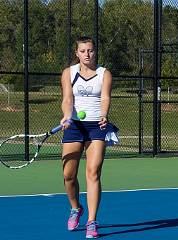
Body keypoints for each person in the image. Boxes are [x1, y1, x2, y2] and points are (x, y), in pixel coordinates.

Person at [60, 36, 118, 239]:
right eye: (83, 51)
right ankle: (76, 208)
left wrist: (104, 114)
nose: (87, 54)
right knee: (68, 174)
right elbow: (67, 98)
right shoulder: (69, 73)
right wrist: (67, 115)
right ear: (77, 53)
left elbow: (105, 97)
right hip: (74, 126)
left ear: (95, 52)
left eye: (90, 50)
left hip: (96, 127)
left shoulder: (104, 74)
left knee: (93, 173)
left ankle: (92, 221)